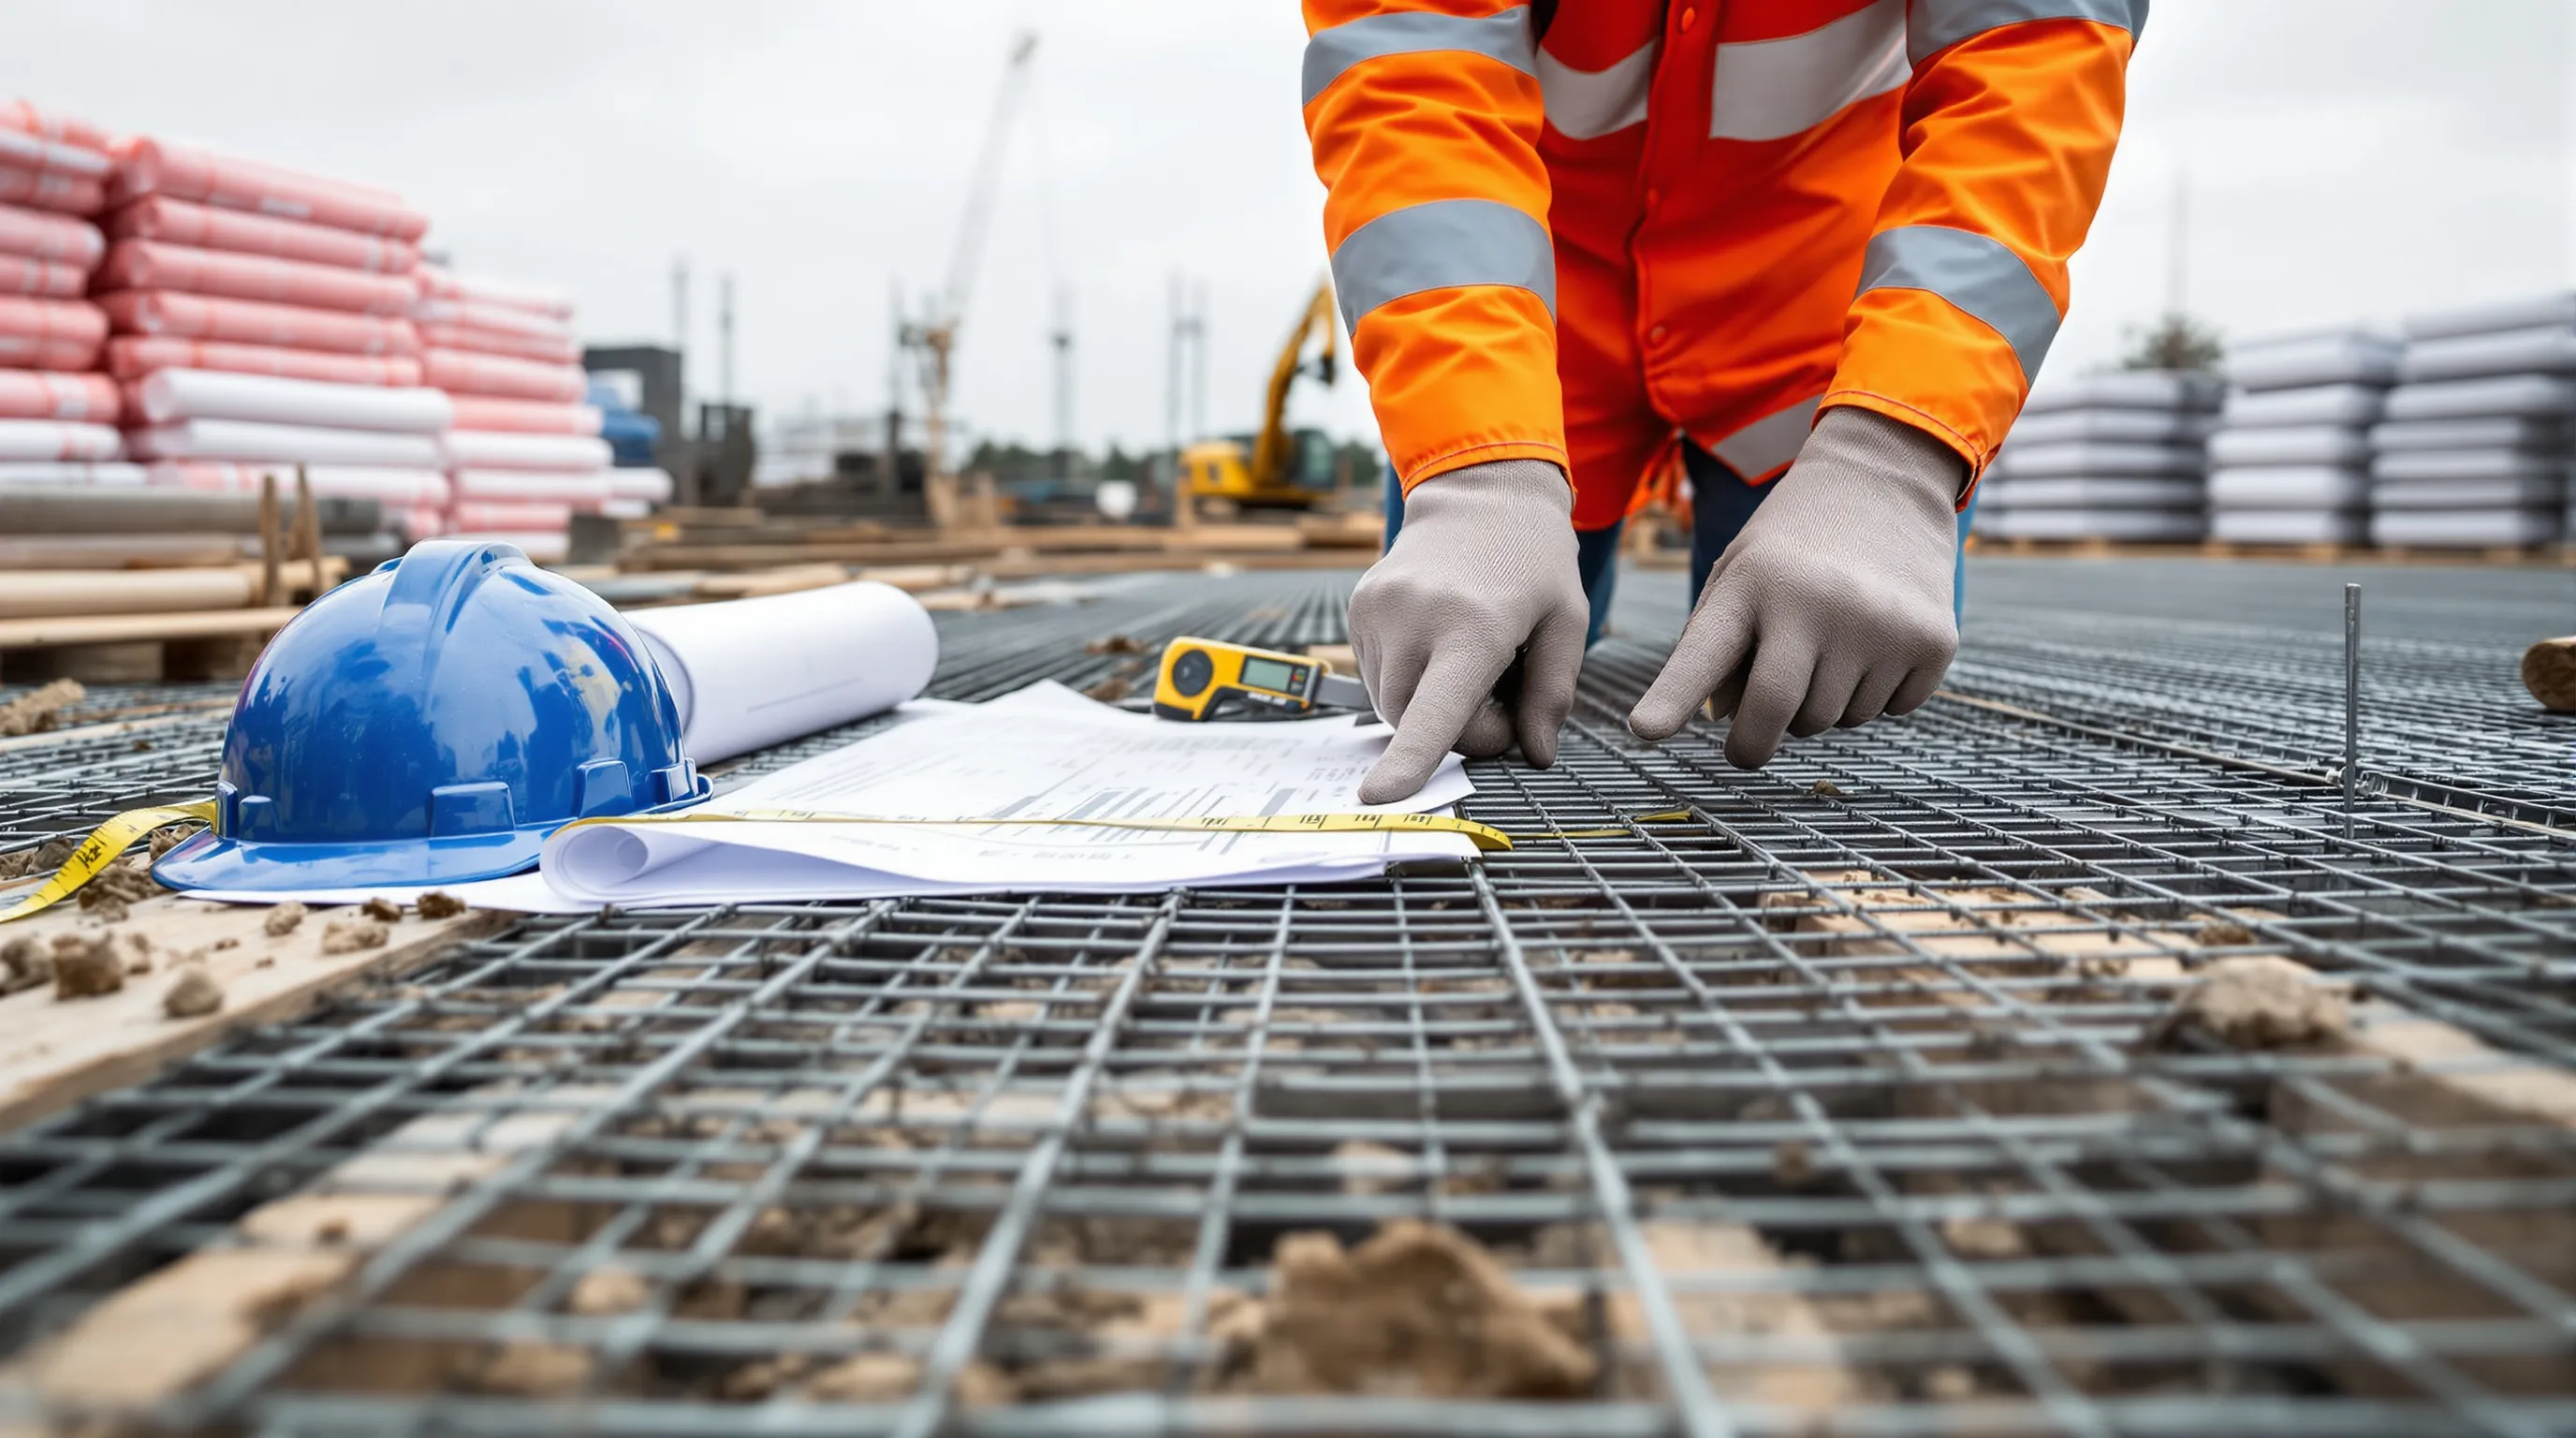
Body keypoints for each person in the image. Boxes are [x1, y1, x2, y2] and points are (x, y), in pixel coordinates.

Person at [1304, 0, 2141, 801]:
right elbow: (1413, 81)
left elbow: (2030, 69)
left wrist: (1893, 456)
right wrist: (1476, 471)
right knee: (1482, 663)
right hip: (1535, 327)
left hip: (1808, 322)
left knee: (1816, 672)